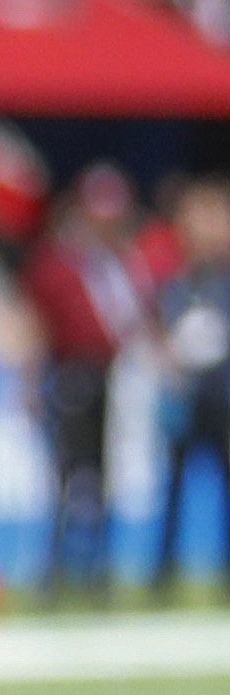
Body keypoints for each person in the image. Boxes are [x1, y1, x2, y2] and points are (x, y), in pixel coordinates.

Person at [18, 168, 146, 608]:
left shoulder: (122, 264)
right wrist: (31, 381)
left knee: (105, 476)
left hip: (112, 376)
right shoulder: (58, 265)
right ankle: (54, 571)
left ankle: (98, 568)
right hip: (71, 374)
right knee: (66, 478)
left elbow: (136, 322)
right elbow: (35, 329)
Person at [154, 181, 230, 600]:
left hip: (223, 395)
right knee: (174, 484)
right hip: (186, 396)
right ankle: (163, 571)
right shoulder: (176, 280)